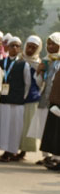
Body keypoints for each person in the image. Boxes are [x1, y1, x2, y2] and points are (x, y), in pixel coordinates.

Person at [0, 37, 32, 162]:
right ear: (7, 48)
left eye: (17, 46)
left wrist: (21, 97)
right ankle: (4, 150)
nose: (14, 48)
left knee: (14, 128)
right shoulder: (1, 63)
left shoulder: (23, 64)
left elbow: (27, 84)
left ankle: (11, 151)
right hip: (3, 101)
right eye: (12, 46)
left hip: (17, 102)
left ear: (20, 49)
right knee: (3, 126)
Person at [28, 33, 60, 165]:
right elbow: (40, 82)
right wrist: (39, 72)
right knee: (45, 128)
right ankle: (46, 155)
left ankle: (55, 156)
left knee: (55, 129)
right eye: (48, 44)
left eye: (53, 44)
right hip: (45, 99)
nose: (50, 47)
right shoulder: (46, 61)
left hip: (57, 100)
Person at [17, 35, 43, 159]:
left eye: (34, 48)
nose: (30, 50)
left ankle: (23, 151)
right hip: (17, 97)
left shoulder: (39, 63)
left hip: (31, 98)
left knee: (27, 126)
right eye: (29, 46)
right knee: (16, 125)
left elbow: (41, 83)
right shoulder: (19, 59)